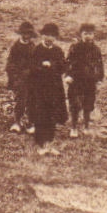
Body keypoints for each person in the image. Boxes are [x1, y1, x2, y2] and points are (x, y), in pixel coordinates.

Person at [26, 23, 69, 155]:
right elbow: (31, 67)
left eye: (52, 36)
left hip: (54, 89)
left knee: (51, 116)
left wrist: (53, 65)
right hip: (39, 89)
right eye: (47, 35)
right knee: (40, 116)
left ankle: (49, 143)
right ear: (42, 35)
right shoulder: (36, 50)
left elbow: (63, 66)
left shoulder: (57, 51)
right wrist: (41, 66)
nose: (49, 38)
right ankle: (41, 145)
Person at [66, 23, 105, 137]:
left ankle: (86, 126)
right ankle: (73, 127)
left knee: (88, 103)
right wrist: (68, 75)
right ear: (81, 35)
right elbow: (68, 62)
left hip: (90, 80)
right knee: (75, 104)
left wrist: (99, 78)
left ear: (94, 35)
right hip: (76, 80)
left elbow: (99, 64)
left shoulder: (96, 49)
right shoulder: (75, 47)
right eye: (85, 34)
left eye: (90, 34)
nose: (88, 36)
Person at [5, 21, 37, 133]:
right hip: (18, 78)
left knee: (31, 101)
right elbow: (10, 63)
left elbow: (35, 62)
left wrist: (31, 71)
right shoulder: (16, 47)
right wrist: (15, 75)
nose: (26, 36)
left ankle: (29, 123)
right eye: (24, 33)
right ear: (21, 34)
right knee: (20, 100)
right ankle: (17, 122)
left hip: (30, 79)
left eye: (29, 34)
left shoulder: (33, 47)